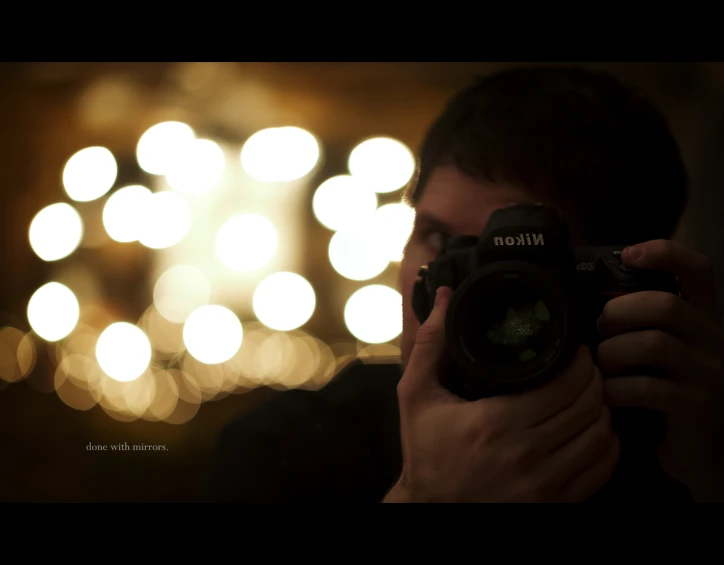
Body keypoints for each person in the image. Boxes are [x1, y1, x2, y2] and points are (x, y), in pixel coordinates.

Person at [206, 65, 724, 502]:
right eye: (438, 241)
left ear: (621, 286)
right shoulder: (287, 450)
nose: (469, 295)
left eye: (510, 271)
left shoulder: (687, 447)